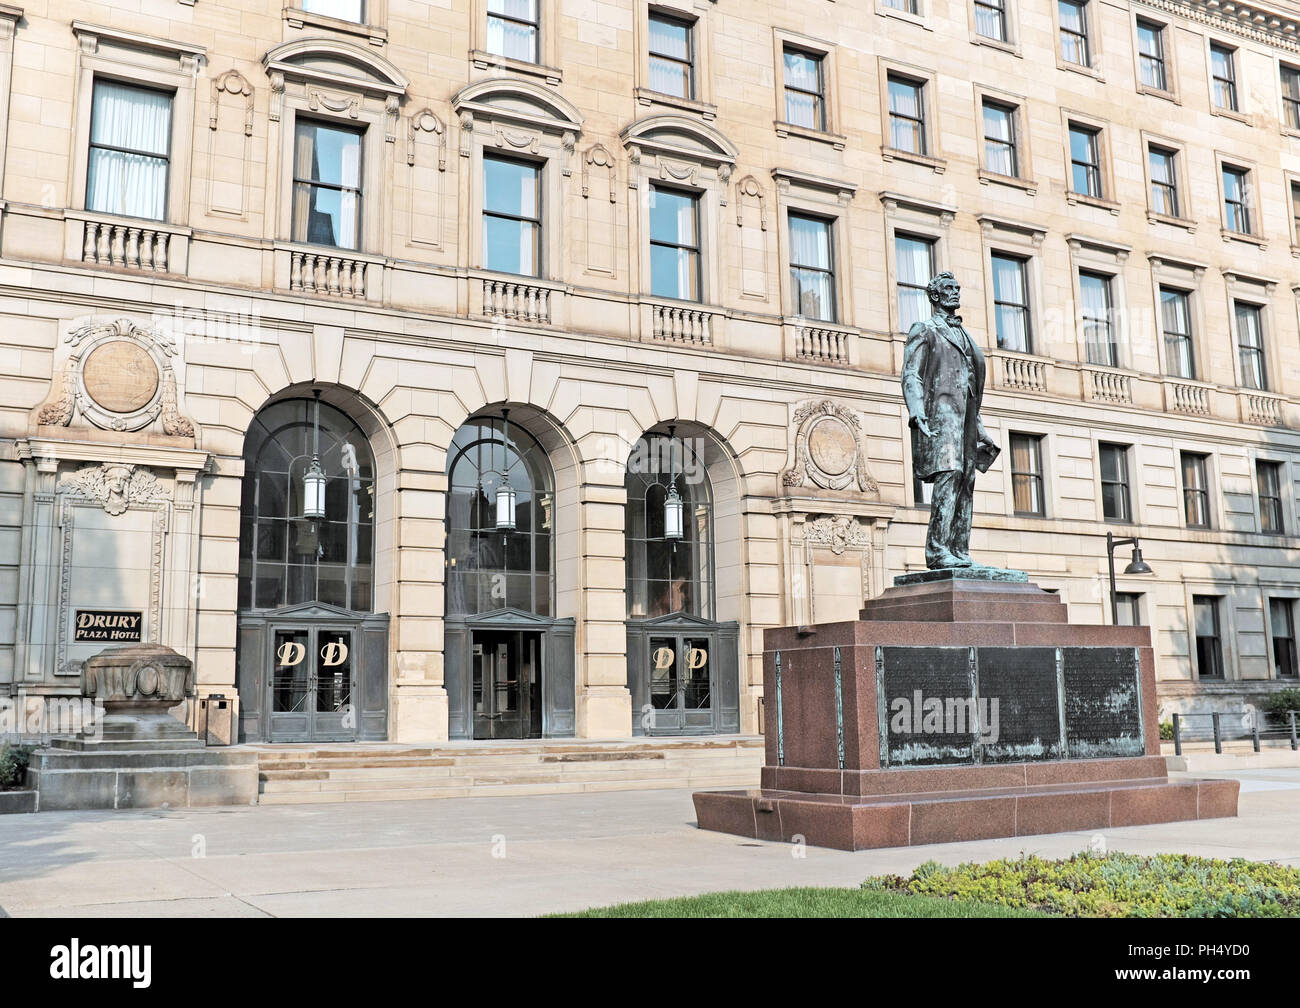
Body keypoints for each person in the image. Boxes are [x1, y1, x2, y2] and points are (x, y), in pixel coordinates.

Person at [901, 272, 1000, 569]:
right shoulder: (925, 329)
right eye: (948, 288)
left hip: (966, 420)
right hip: (940, 416)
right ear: (935, 295)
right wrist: (916, 409)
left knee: (965, 481)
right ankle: (938, 550)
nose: (955, 292)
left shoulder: (965, 335)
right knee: (948, 475)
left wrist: (979, 427)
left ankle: (959, 549)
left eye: (957, 287)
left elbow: (969, 384)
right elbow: (911, 374)